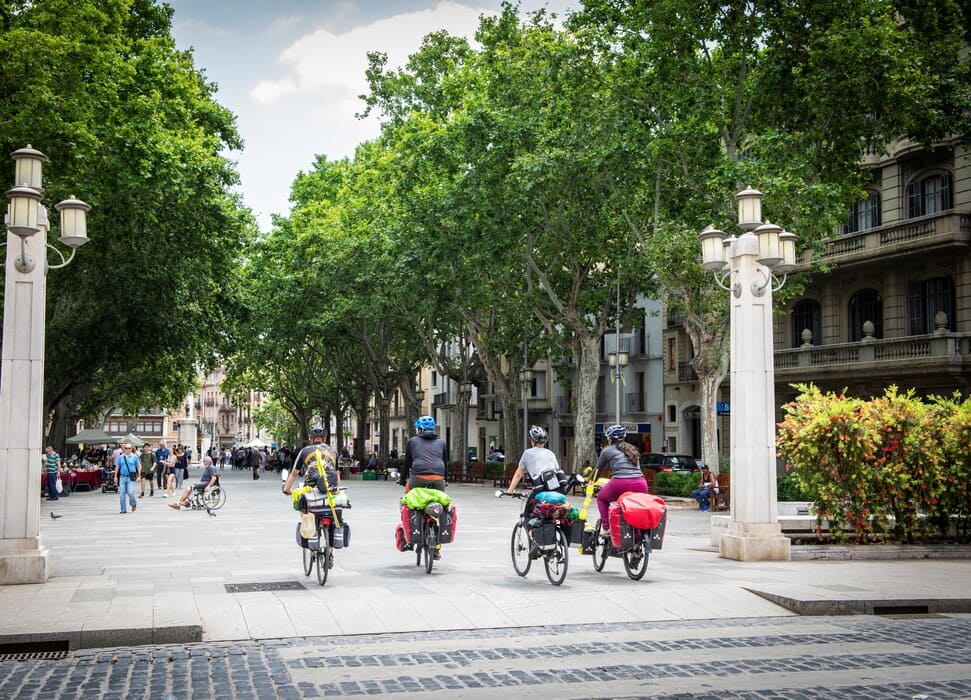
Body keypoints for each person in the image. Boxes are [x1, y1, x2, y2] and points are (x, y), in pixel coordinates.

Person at [595, 424, 649, 532]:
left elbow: (597, 470)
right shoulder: (632, 449)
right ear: (624, 437)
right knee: (637, 507)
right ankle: (638, 535)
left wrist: (590, 481)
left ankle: (607, 528)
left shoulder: (607, 451)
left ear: (609, 439)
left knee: (601, 499)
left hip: (620, 483)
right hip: (641, 483)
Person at [283, 426, 340, 496]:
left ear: (310, 439)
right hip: (331, 487)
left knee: (301, 500)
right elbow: (337, 473)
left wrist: (287, 489)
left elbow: (294, 472)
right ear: (324, 439)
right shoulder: (333, 451)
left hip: (311, 486)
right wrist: (338, 491)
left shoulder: (304, 450)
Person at [400, 415, 448, 492]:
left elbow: (407, 463)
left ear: (420, 429)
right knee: (441, 499)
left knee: (408, 498)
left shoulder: (412, 441)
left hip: (418, 478)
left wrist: (402, 480)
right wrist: (446, 480)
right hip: (438, 479)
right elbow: (445, 463)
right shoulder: (442, 442)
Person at [114, 443, 140, 513]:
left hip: (131, 477)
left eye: (129, 448)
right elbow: (117, 466)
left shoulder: (135, 457)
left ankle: (133, 504)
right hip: (122, 477)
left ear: (131, 449)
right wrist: (115, 476)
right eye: (126, 448)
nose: (127, 449)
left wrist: (139, 476)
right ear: (124, 449)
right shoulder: (121, 457)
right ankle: (123, 509)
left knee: (130, 492)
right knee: (122, 494)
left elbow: (138, 466)